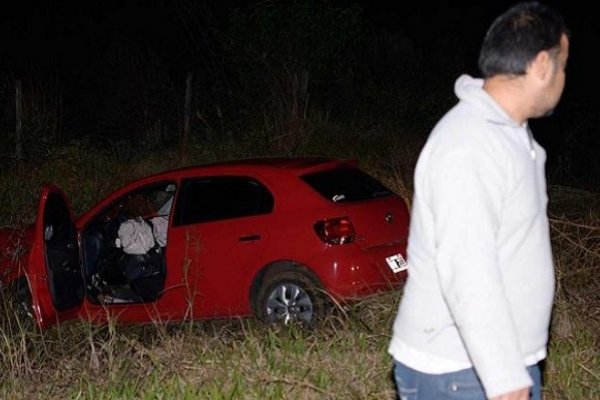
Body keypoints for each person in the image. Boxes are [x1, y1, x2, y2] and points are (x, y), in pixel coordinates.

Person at [388, 2, 569, 399]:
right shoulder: (470, 144)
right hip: (461, 372)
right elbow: (468, 267)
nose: (563, 78)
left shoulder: (506, 134)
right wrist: (505, 378)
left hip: (484, 366)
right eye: (563, 65)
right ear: (542, 65)